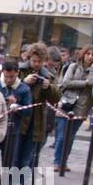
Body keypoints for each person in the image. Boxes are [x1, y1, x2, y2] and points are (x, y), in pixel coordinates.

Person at [53, 46, 93, 170]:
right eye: (87, 54)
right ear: (83, 54)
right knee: (62, 135)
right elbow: (66, 82)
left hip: (82, 107)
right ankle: (57, 162)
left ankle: (64, 162)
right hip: (67, 103)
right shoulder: (73, 67)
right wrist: (84, 83)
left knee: (71, 136)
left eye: (92, 54)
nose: (90, 56)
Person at [18, 42, 60, 172]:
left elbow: (56, 98)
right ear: (29, 58)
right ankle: (8, 184)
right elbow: (9, 90)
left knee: (26, 157)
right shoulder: (20, 70)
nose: (36, 64)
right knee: (13, 156)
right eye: (34, 61)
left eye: (39, 61)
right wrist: (24, 82)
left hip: (36, 120)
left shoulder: (48, 75)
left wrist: (48, 88)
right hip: (19, 119)